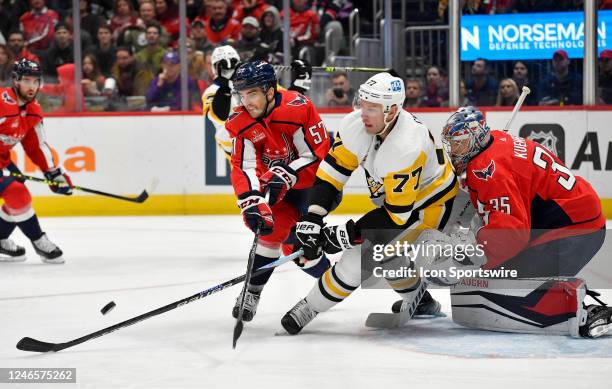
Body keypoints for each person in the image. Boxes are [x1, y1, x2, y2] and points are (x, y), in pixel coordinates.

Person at [280, 72, 458, 335]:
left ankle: (310, 306)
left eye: (372, 108)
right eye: (362, 103)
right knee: (385, 255)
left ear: (393, 110)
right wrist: (313, 219)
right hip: (399, 203)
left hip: (432, 207)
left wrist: (344, 235)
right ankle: (421, 301)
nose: (363, 113)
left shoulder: (407, 144)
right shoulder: (356, 124)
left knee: (359, 259)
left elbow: (398, 216)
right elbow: (331, 176)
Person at [427, 106, 611, 338]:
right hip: (573, 216)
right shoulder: (496, 142)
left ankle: (585, 314)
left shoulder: (487, 169)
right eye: (452, 143)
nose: (453, 151)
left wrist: (471, 260)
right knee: (495, 273)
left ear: (476, 139)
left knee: (504, 280)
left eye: (459, 143)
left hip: (576, 229)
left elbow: (511, 236)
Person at [224, 60, 333, 322]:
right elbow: (244, 165)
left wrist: (286, 173)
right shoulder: (241, 122)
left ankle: (334, 282)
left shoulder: (298, 108)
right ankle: (252, 291)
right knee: (270, 231)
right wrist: (251, 200)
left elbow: (318, 155)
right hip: (278, 191)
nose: (246, 101)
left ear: (270, 90)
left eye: (252, 93)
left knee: (302, 246)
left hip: (314, 188)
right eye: (242, 94)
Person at [0, 59, 72, 264]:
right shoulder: (1, 103)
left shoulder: (33, 111)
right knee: (17, 192)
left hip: (2, 160)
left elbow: (36, 147)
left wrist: (54, 173)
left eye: (35, 81)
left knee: (18, 188)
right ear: (15, 80)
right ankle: (39, 240)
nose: (32, 87)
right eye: (26, 81)